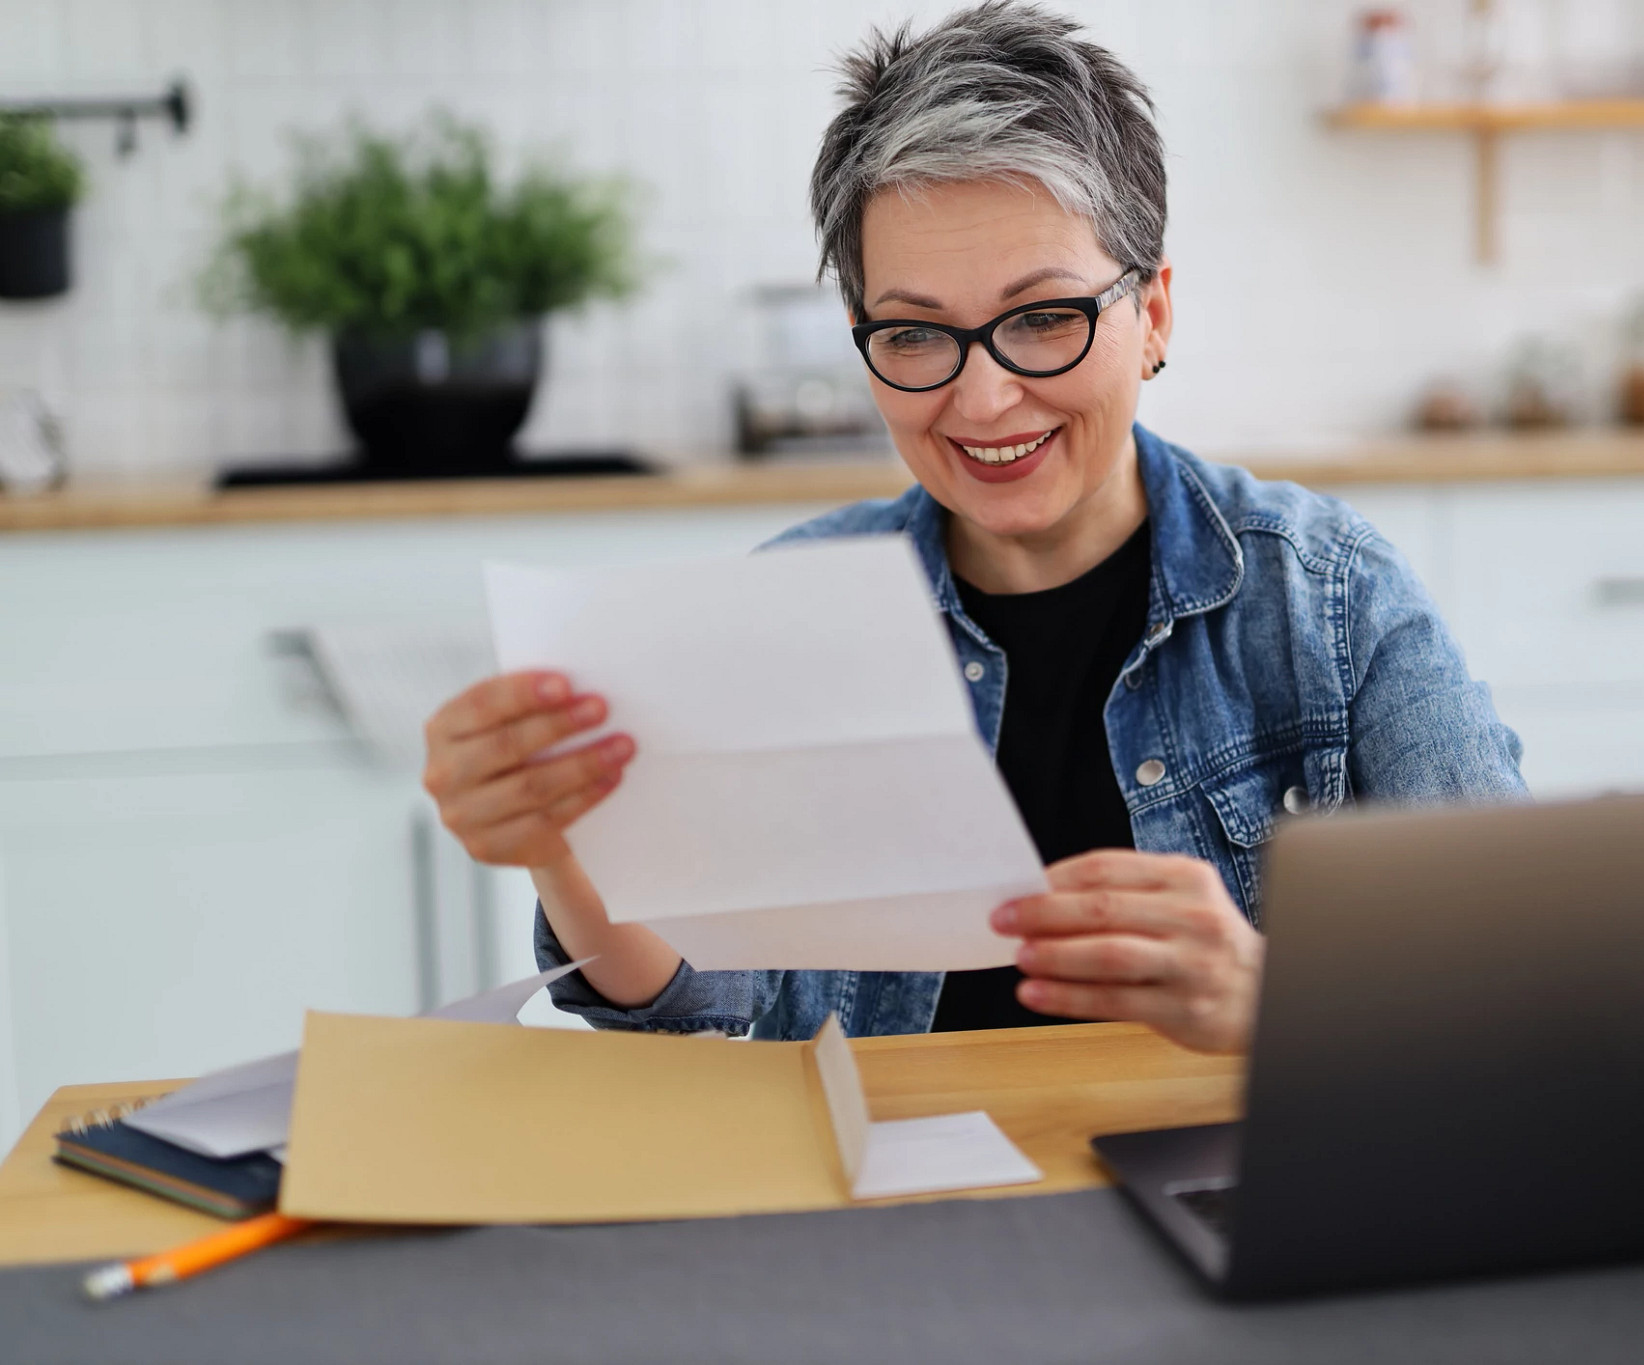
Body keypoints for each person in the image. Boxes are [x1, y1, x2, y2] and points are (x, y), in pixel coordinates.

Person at [421, 1, 1523, 1056]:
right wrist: (565, 853)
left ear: (1153, 316)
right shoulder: (790, 612)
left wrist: (1272, 999)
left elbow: (1519, 984)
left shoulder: (1326, 603)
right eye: (913, 335)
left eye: (1042, 318)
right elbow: (691, 1000)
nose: (983, 400)